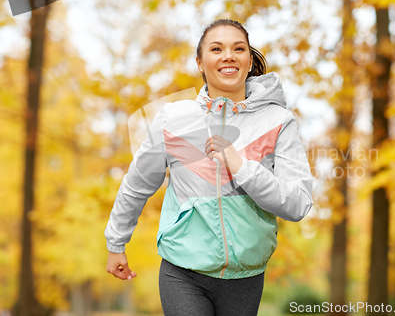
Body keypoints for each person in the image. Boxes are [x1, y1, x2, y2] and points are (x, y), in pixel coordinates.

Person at [104, 19, 314, 316]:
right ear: (200, 63)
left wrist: (242, 167)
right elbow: (138, 183)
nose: (228, 55)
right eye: (217, 48)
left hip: (247, 277)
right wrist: (116, 242)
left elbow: (298, 203)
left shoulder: (277, 121)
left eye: (238, 48)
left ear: (249, 60)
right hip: (183, 270)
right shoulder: (173, 119)